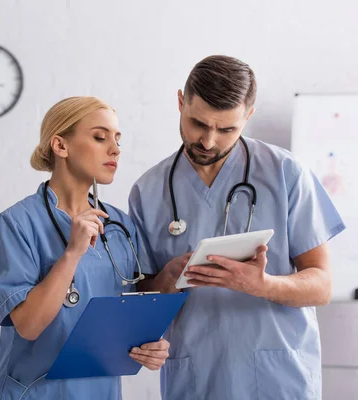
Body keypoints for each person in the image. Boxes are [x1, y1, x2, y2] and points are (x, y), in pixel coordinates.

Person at [129, 55, 346, 400]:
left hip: (279, 378)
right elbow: (139, 295)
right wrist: (165, 279)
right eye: (198, 123)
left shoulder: (285, 173)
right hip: (195, 377)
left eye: (227, 129)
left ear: (248, 116)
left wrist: (262, 285)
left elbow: (320, 284)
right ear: (180, 102)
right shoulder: (149, 191)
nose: (209, 141)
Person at [0, 96, 169, 399]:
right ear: (60, 146)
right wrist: (72, 253)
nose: (115, 150)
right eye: (100, 137)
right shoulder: (16, 223)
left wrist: (152, 346)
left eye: (117, 140)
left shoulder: (119, 225)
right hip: (36, 392)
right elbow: (29, 326)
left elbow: (130, 312)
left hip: (101, 390)